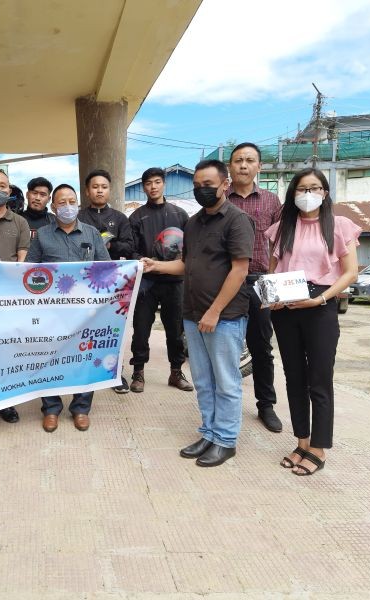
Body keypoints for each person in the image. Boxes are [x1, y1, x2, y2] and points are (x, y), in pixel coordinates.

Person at [143, 159, 254, 467]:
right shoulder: (192, 223)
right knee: (204, 380)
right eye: (197, 186)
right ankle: (208, 432)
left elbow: (239, 270)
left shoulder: (237, 220)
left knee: (226, 381)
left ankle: (226, 440)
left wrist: (215, 311)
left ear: (224, 185)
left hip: (224, 316)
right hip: (192, 314)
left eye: (208, 185)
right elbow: (185, 264)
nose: (202, 190)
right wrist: (156, 264)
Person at [265, 168, 359, 476]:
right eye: (302, 189)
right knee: (294, 377)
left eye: (315, 188)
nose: (308, 194)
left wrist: (320, 299)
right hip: (286, 304)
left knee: (319, 378)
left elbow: (349, 272)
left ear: (326, 192)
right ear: (293, 194)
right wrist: (272, 296)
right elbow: (273, 268)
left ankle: (319, 447)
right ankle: (301, 441)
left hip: (320, 304)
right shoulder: (281, 228)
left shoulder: (340, 225)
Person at [26, 184, 109, 433]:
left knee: (85, 358)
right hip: (52, 311)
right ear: (53, 207)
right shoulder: (42, 234)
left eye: (71, 201)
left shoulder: (92, 233)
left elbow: (106, 268)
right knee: (49, 358)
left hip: (85, 311)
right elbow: (30, 269)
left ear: (78, 205)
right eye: (62, 202)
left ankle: (81, 408)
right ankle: (51, 409)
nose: (67, 206)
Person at [227, 143, 284, 433]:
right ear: (229, 166)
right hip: (226, 283)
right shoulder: (220, 199)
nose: (243, 165)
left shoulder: (272, 201)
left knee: (262, 346)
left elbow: (281, 245)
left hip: (262, 280)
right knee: (225, 347)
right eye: (238, 160)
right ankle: (224, 406)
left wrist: (275, 282)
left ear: (259, 167)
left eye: (250, 160)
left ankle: (266, 405)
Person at [127, 167, 193, 393]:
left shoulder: (180, 214)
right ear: (144, 187)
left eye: (157, 182)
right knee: (141, 328)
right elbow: (131, 250)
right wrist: (143, 261)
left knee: (175, 330)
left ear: (163, 184)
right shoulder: (136, 217)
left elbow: (190, 249)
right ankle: (138, 372)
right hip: (146, 283)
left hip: (175, 281)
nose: (153, 187)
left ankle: (176, 372)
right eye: (148, 183)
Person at [78, 168, 136, 394]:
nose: (99, 191)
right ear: (87, 191)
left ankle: (115, 372)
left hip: (114, 284)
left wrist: (109, 245)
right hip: (84, 283)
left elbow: (130, 247)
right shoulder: (79, 217)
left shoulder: (120, 218)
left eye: (104, 187)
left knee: (113, 329)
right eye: (95, 187)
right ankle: (82, 370)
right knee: (84, 329)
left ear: (109, 190)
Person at [0, 167, 31, 423]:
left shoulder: (20, 223)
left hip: (9, 298)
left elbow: (22, 262)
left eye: (2, 186)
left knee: (6, 353)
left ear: (10, 191)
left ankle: (4, 401)